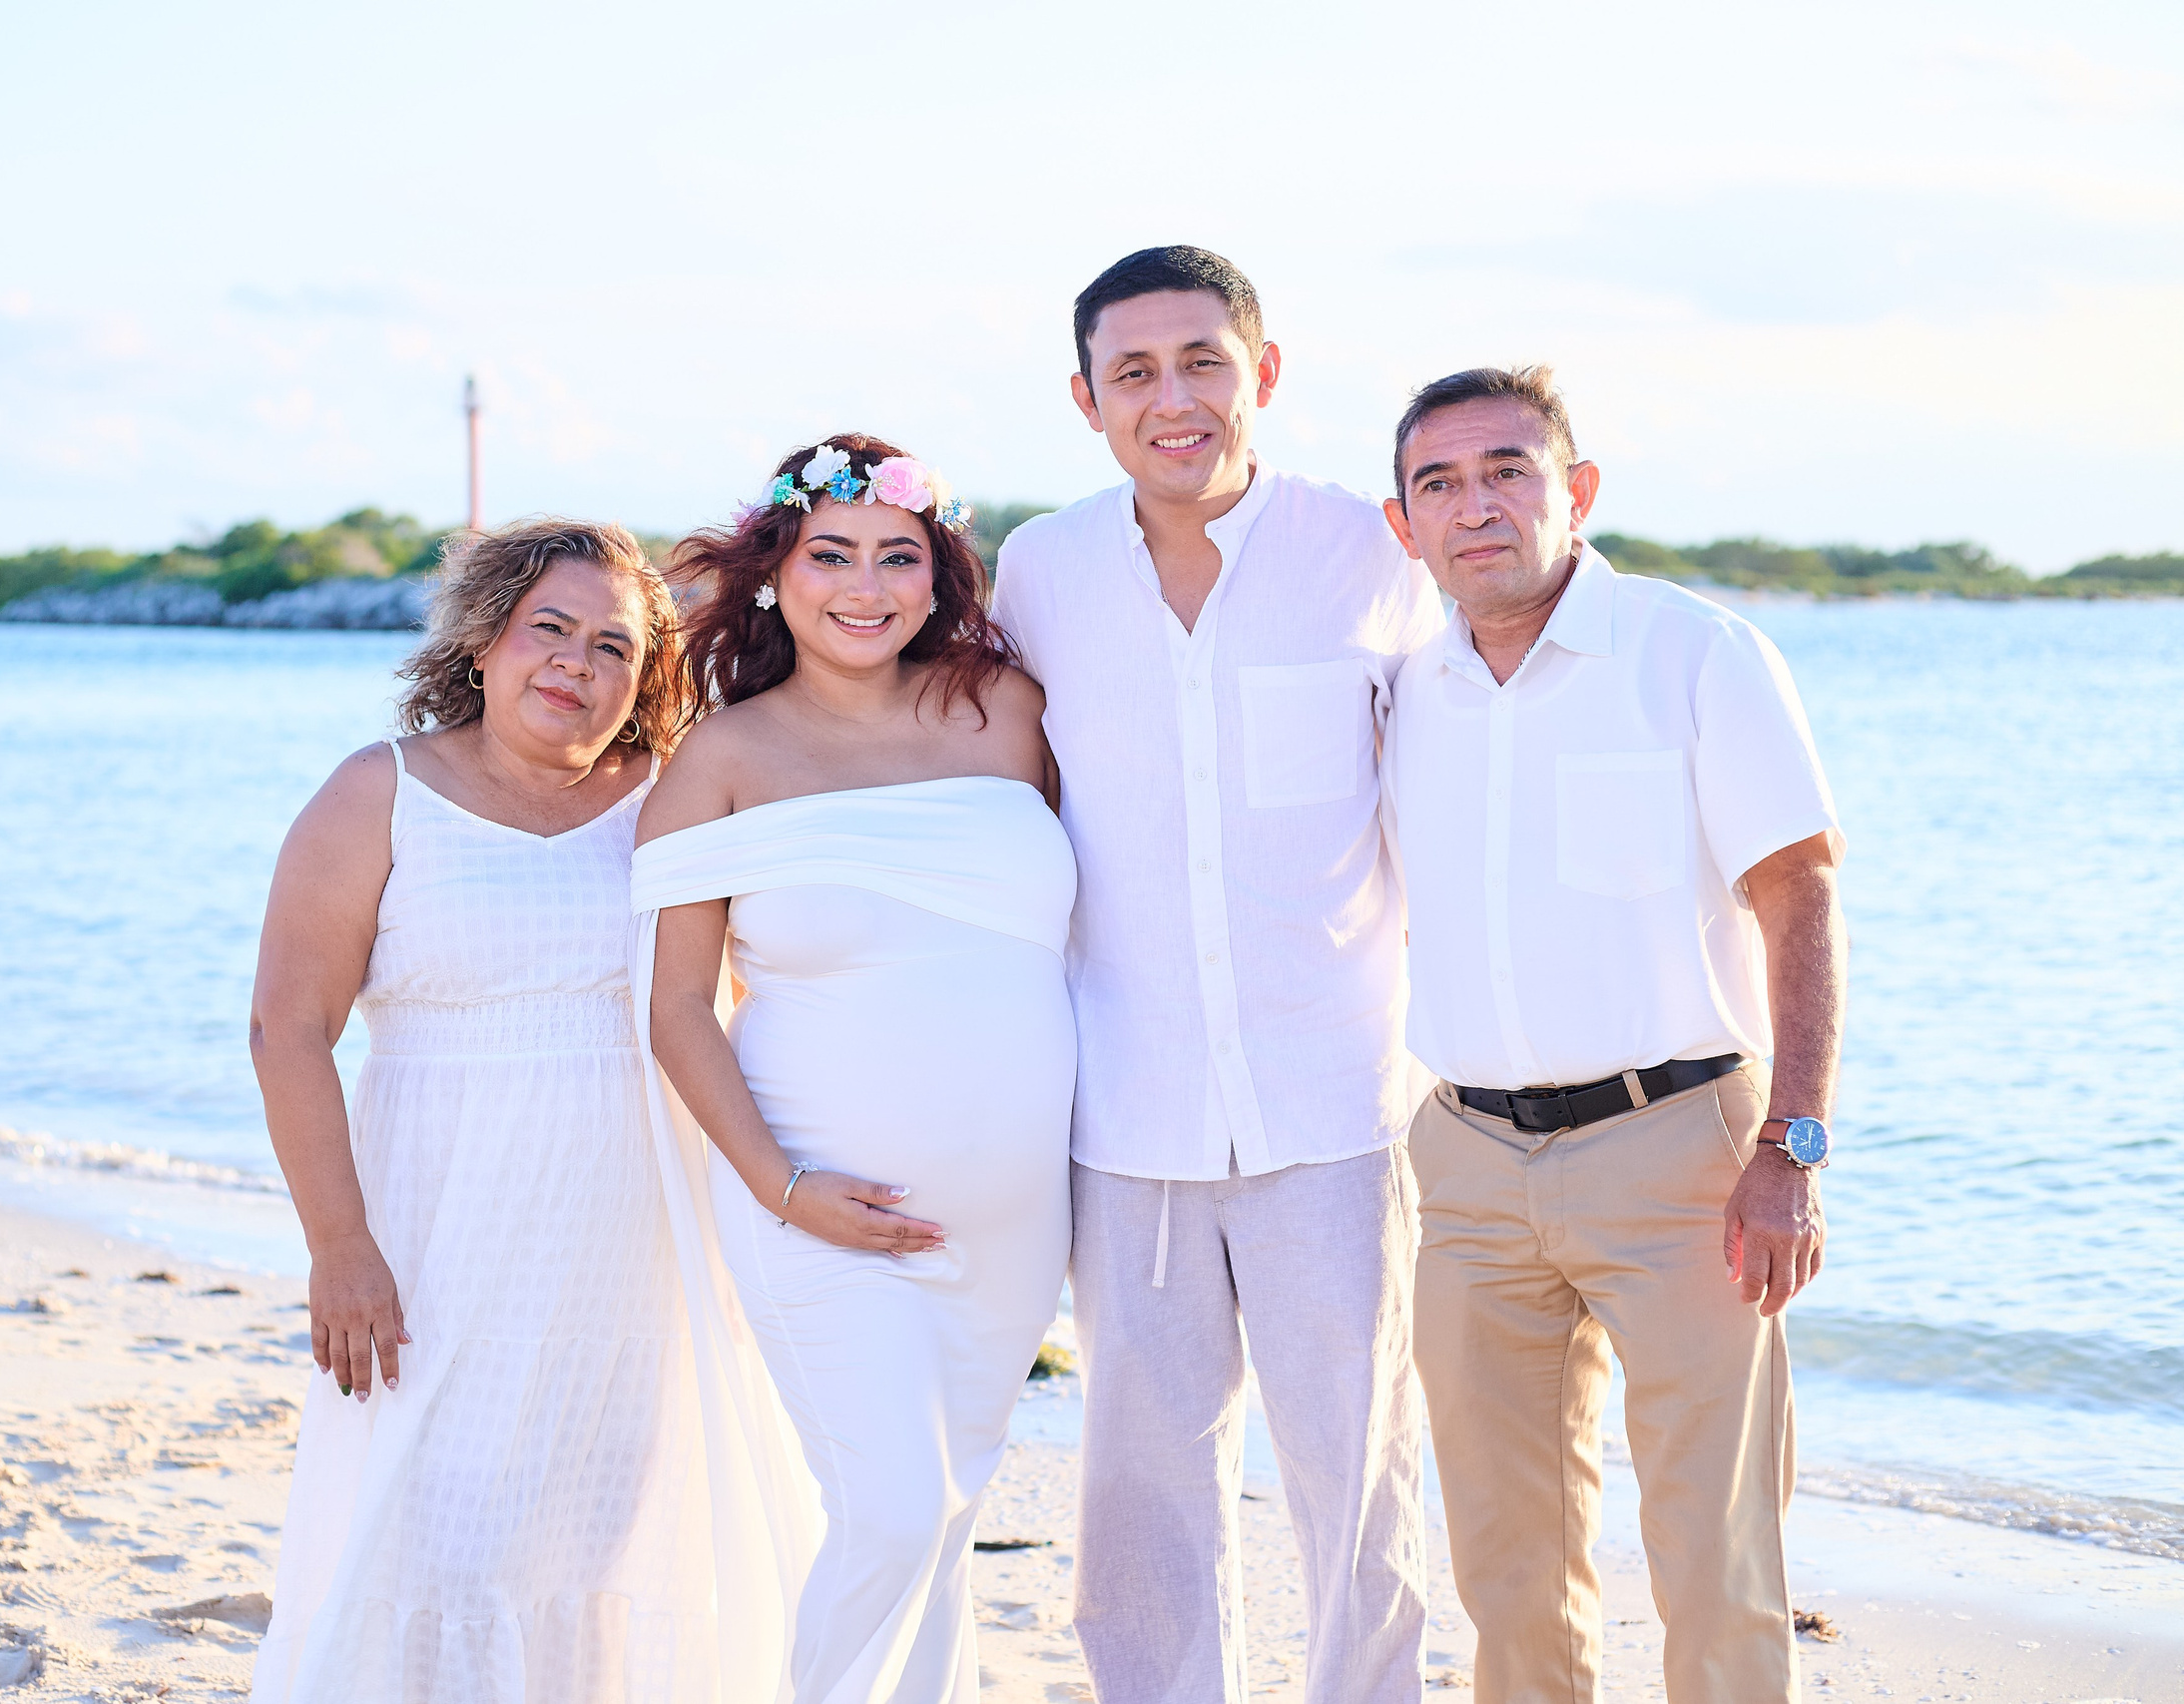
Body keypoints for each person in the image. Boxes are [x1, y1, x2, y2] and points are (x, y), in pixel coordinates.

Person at [989, 246, 1444, 1704]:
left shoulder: (1373, 554)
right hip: (1125, 1114)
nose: (1172, 398)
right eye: (1135, 371)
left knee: (1358, 1494)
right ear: (1086, 397)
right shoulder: (1041, 570)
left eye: (1203, 361)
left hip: (1339, 1104)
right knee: (1141, 1507)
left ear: (1265, 371)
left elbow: (1468, 770)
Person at [247, 520, 783, 1702]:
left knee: (611, 1543)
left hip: (641, 1253)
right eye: (549, 628)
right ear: (485, 640)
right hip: (437, 1242)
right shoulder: (378, 793)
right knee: (433, 1531)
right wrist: (339, 1248)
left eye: (611, 646)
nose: (573, 665)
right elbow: (288, 1030)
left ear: (643, 679)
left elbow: (759, 999)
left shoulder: (675, 801)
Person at [1379, 366, 1846, 1704]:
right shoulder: (1409, 691)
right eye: (1441, 482)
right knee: (1508, 1568)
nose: (1478, 505)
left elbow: (1800, 894)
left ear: (1575, 491)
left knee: (1716, 1552)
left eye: (1509, 470)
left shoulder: (1695, 651)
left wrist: (1792, 1145)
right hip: (1465, 1167)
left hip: (1684, 1151)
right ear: (1404, 522)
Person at [636, 433, 1076, 1704]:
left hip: (1010, 1222)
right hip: (815, 1209)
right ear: (777, 571)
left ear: (938, 578)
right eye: (832, 555)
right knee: (889, 1511)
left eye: (899, 556)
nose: (866, 585)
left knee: (942, 1512)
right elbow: (674, 1011)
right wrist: (782, 1186)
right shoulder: (720, 758)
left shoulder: (1007, 713)